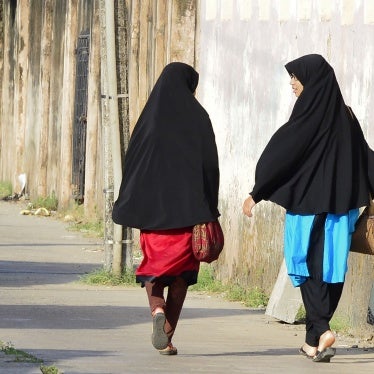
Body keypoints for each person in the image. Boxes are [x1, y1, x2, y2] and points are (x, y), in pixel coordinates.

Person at [243, 54, 374, 363]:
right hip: (340, 210)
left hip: (305, 208)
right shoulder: (348, 118)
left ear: (312, 81)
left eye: (296, 77)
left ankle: (324, 328)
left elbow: (280, 155)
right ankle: (313, 341)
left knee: (302, 264)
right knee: (330, 268)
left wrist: (257, 192)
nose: (292, 83)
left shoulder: (305, 118)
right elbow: (366, 159)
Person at [112, 62, 220, 355]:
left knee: (154, 272)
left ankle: (156, 311)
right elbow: (210, 167)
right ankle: (168, 336)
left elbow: (133, 165)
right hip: (189, 219)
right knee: (182, 278)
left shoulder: (149, 120)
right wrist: (210, 207)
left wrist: (129, 205)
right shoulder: (199, 118)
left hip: (153, 219)